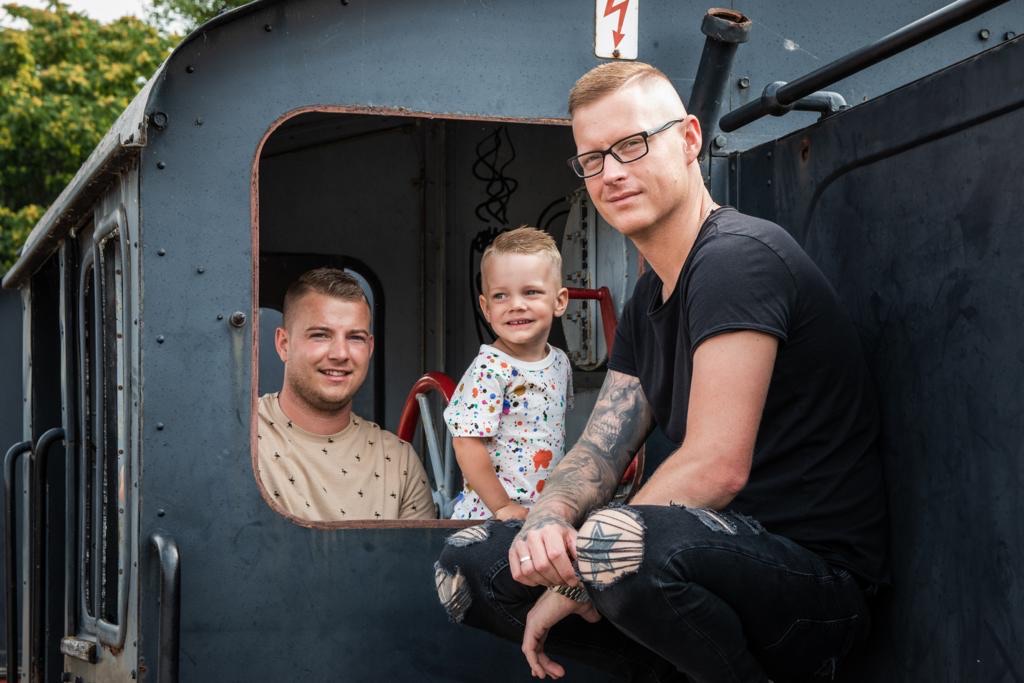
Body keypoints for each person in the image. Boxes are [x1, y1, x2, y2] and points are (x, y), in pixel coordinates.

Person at [435, 62, 888, 682]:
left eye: (632, 145)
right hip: (702, 565)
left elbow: (715, 465)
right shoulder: (650, 297)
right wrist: (546, 520)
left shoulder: (735, 260)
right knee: (470, 567)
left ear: (690, 139)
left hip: (814, 584)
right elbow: (599, 451)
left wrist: (576, 581)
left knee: (613, 544)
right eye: (592, 159)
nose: (611, 173)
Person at [257, 267, 435, 521]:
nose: (340, 354)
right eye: (320, 335)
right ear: (283, 344)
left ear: (370, 348)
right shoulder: (240, 436)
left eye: (355, 338)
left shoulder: (399, 462)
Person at [443, 226, 572, 520]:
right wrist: (502, 506)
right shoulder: (489, 369)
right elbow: (466, 443)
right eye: (501, 296)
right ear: (486, 308)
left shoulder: (560, 363)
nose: (516, 305)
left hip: (540, 512)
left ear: (559, 301)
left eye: (531, 292)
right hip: (490, 516)